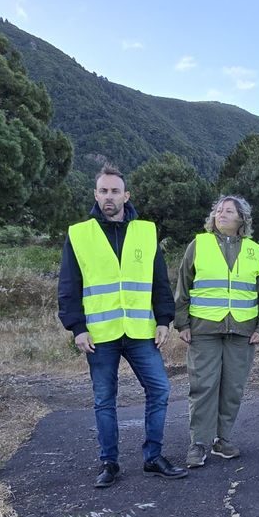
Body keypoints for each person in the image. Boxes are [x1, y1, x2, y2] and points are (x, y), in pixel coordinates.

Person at [57, 163, 188, 488]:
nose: (109, 197)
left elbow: (159, 279)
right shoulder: (79, 234)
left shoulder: (145, 231)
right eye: (103, 191)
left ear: (126, 195)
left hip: (142, 331)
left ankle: (153, 457)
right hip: (99, 335)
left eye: (115, 191)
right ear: (96, 194)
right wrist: (78, 328)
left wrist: (163, 319)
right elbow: (68, 285)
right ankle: (109, 463)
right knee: (104, 399)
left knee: (160, 389)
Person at [174, 195, 259, 468]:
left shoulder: (254, 251)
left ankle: (223, 439)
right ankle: (199, 443)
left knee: (232, 388)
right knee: (204, 386)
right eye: (218, 209)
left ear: (242, 218)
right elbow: (183, 286)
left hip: (242, 330)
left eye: (229, 210)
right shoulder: (198, 244)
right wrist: (182, 323)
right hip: (204, 329)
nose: (222, 213)